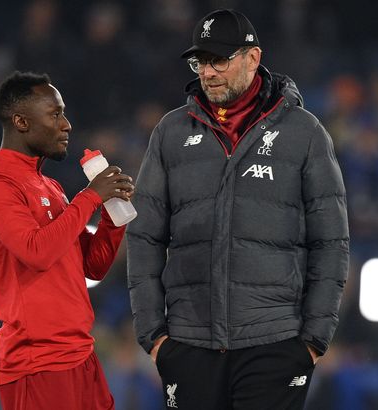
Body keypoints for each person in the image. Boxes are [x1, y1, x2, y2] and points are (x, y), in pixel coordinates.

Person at [127, 9, 349, 410]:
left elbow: (331, 242)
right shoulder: (170, 133)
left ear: (253, 58)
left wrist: (312, 340)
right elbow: (144, 237)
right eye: (201, 62)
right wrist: (154, 336)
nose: (208, 72)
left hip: (275, 343)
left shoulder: (305, 133)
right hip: (188, 346)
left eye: (219, 60)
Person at [0, 71, 134, 410]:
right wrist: (89, 198)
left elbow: (93, 265)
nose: (67, 125)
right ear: (21, 122)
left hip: (80, 353)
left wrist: (110, 214)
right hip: (37, 364)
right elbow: (37, 252)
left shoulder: (51, 188)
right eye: (55, 113)